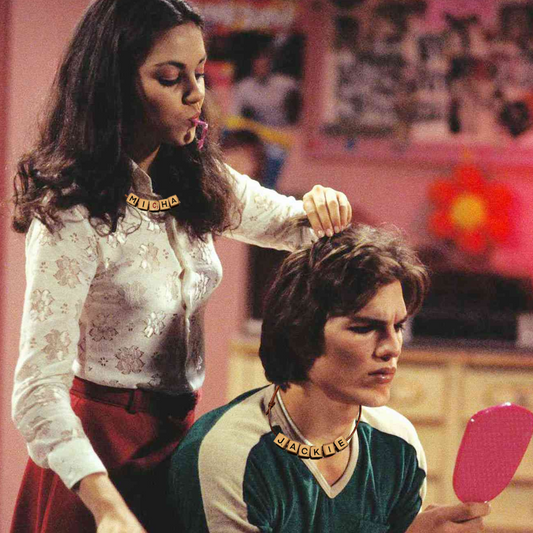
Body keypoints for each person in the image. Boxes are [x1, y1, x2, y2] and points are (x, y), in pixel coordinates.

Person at [10, 1, 353, 532]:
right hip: (95, 457)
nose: (196, 94)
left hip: (177, 444)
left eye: (200, 72)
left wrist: (328, 206)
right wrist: (106, 505)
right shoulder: (71, 212)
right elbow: (37, 392)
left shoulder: (197, 177)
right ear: (113, 87)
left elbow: (295, 225)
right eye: (171, 78)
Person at [168, 221, 491, 532]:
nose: (392, 347)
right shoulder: (229, 455)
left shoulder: (397, 443)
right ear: (300, 333)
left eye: (398, 326)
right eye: (364, 328)